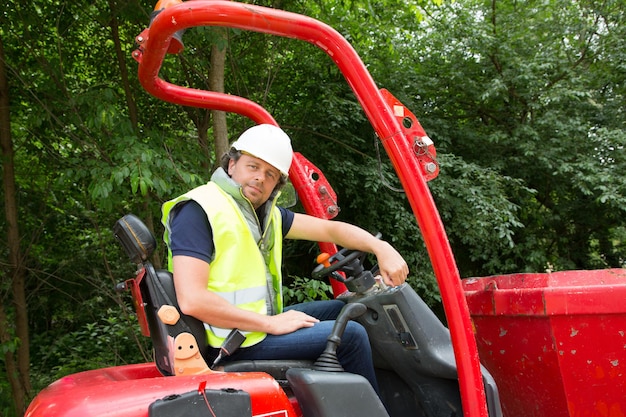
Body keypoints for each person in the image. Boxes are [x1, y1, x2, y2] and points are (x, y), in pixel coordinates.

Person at [161, 124, 408, 392]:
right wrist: (271, 323)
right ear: (231, 165)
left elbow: (329, 228)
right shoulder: (199, 210)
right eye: (253, 167)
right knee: (352, 334)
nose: (260, 178)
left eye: (270, 174)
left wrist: (380, 247)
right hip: (230, 343)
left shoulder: (263, 216)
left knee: (349, 309)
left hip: (249, 326)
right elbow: (192, 299)